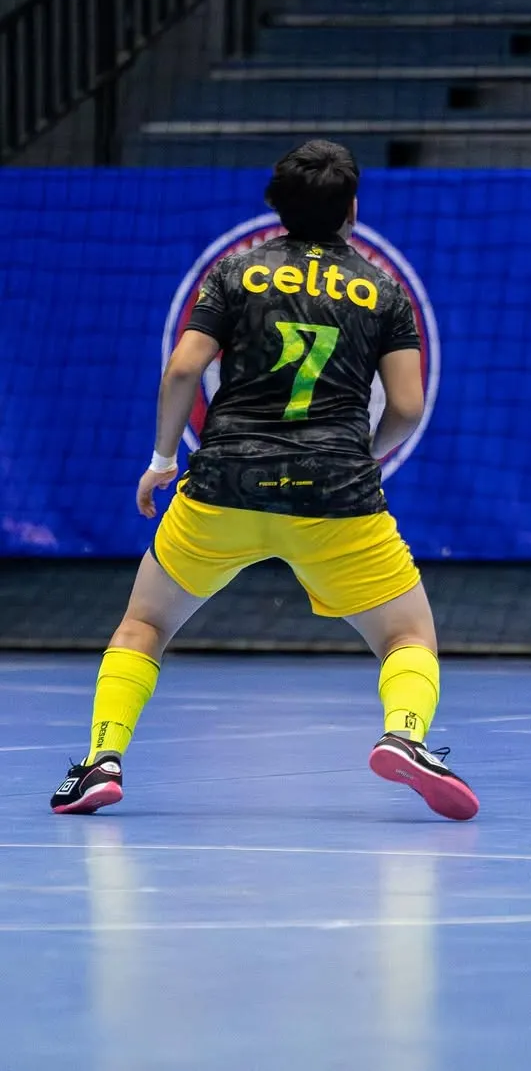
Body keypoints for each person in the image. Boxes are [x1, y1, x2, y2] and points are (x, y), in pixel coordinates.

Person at [50, 140, 478, 821]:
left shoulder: (234, 273)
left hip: (225, 485)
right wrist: (359, 455)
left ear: (275, 206)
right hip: (337, 498)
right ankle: (406, 734)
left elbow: (183, 371)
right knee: (407, 637)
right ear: (352, 210)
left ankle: (102, 759)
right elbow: (407, 406)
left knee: (143, 626)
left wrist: (163, 459)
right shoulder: (385, 292)